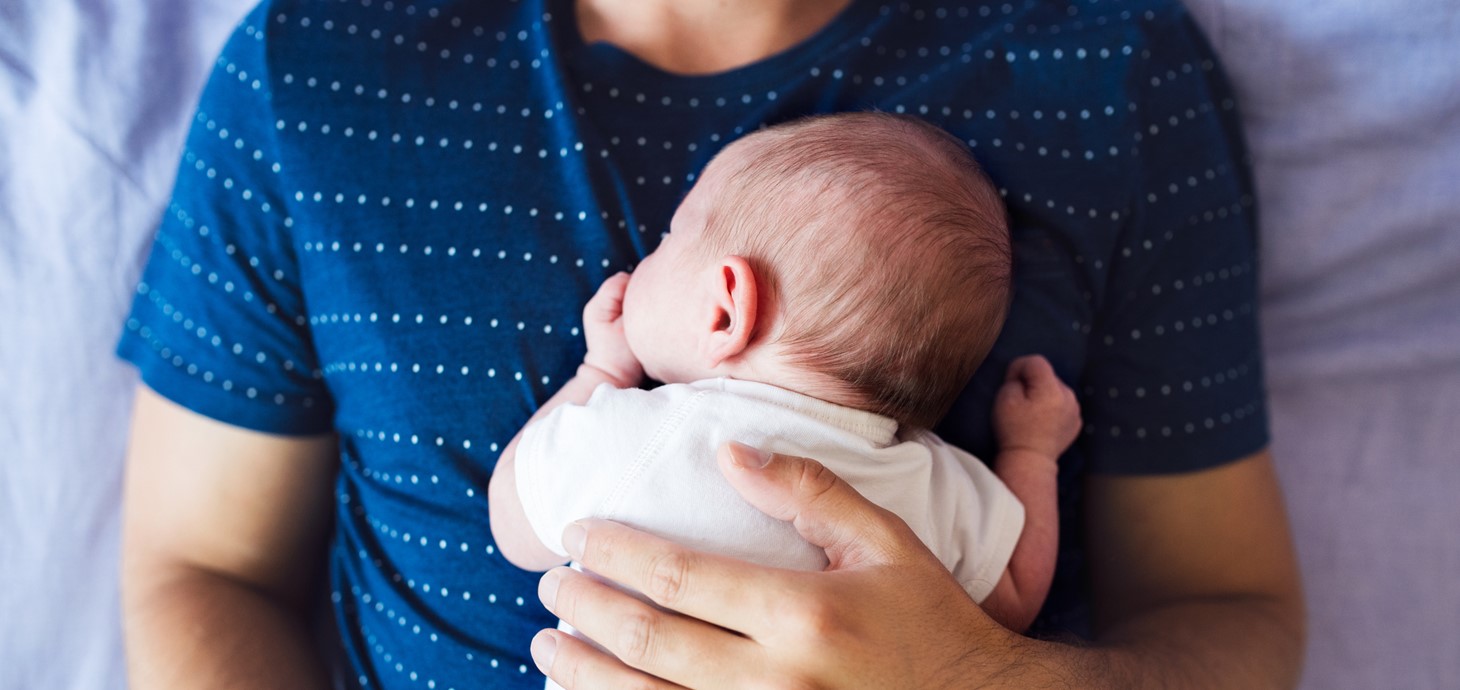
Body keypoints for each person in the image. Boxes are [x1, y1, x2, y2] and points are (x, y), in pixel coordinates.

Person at [117, 0, 1304, 688]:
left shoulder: (1103, 65)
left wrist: (987, 686)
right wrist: (1028, 460)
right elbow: (199, 572)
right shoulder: (313, 68)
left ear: (725, 306)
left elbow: (1230, 609)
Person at [487, 113, 1082, 640]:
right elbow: (1013, 598)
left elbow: (513, 526)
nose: (648, 253)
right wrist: (1033, 451)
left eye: (670, 238)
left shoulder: (640, 434)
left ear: (724, 311)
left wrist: (601, 371)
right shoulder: (927, 482)